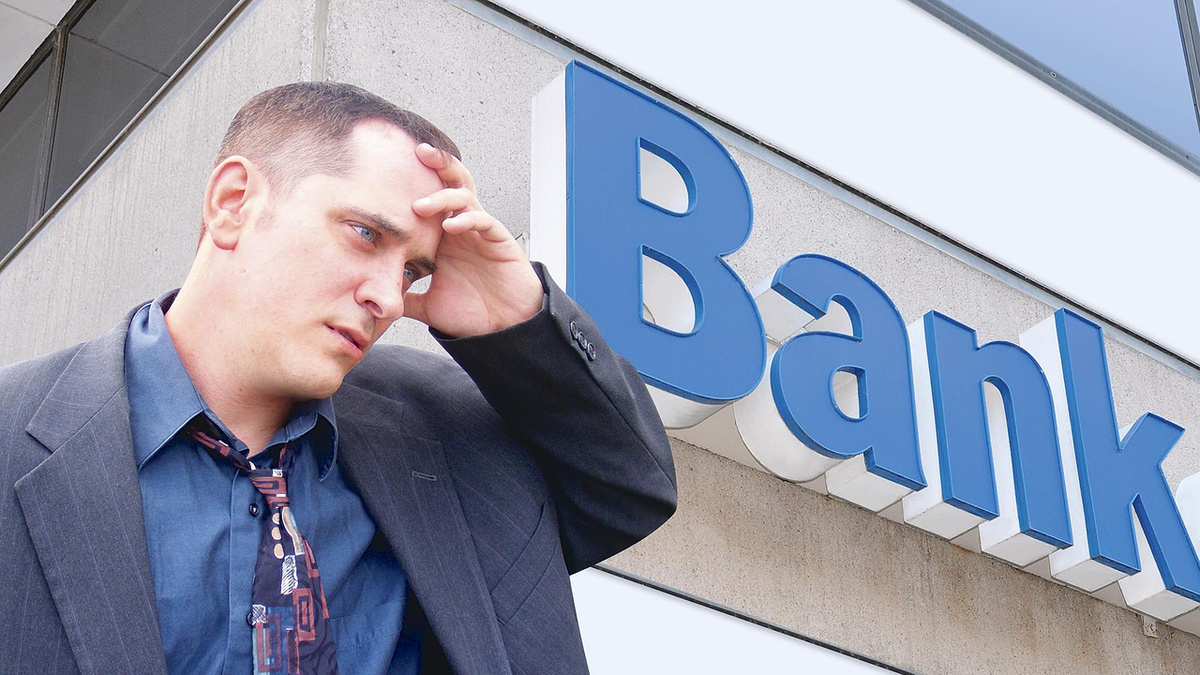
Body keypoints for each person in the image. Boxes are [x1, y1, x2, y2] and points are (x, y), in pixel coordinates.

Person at [0, 82, 676, 674]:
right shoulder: (15, 436)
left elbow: (627, 491)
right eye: (365, 234)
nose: (389, 298)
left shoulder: (446, 434)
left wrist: (516, 321)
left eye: (414, 270)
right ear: (232, 203)